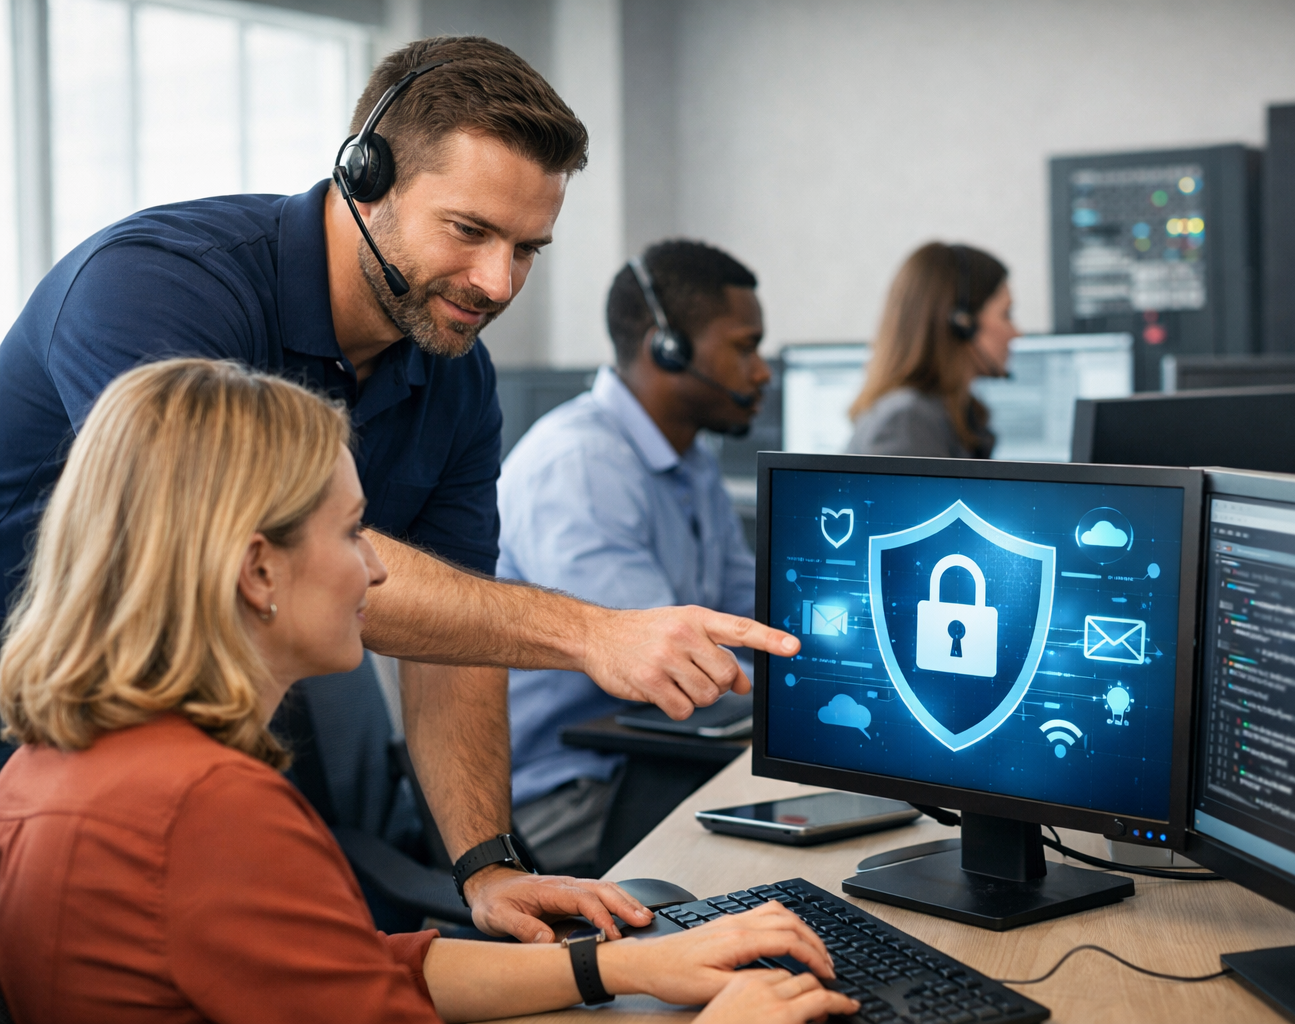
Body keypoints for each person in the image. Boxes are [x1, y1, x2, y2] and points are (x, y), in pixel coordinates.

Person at [0, 37, 798, 942]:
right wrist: (590, 633)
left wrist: (487, 867)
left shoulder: (453, 372)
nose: (499, 283)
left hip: (204, 724)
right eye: (469, 231)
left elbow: (458, 632)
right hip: (43, 712)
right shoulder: (160, 287)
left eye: (527, 248)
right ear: (363, 175)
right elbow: (234, 555)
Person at [0, 358, 856, 1024]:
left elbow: (358, 968)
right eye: (350, 533)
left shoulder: (53, 766)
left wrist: (618, 965)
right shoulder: (208, 810)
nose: (377, 570)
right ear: (258, 569)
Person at [497, 240, 766, 873]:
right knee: (775, 866)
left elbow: (747, 613)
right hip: (567, 792)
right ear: (665, 347)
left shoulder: (690, 461)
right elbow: (670, 668)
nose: (762, 372)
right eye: (744, 347)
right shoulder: (583, 466)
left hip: (657, 759)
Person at [846, 242, 1020, 458]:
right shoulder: (907, 423)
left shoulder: (953, 415)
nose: (1016, 333)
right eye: (1006, 314)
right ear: (962, 324)